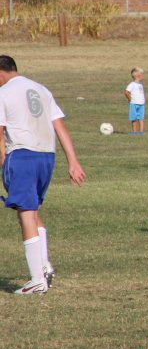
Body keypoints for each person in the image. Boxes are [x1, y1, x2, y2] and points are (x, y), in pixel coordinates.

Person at [0, 55, 86, 294]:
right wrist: (73, 161)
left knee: (26, 213)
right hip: (46, 156)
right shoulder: (41, 89)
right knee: (32, 209)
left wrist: (2, 159)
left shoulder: (3, 93)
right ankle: (44, 266)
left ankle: (37, 279)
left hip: (22, 156)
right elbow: (60, 126)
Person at [124, 67, 146, 134]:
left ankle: (141, 131)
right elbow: (126, 92)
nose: (143, 76)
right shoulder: (132, 84)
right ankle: (134, 131)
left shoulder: (141, 85)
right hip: (134, 104)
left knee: (141, 118)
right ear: (138, 76)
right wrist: (130, 99)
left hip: (141, 104)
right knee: (134, 118)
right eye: (142, 74)